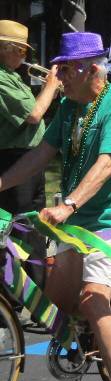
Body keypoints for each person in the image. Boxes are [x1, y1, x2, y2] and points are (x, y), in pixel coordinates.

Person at [0, 31, 111, 381]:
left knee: (91, 299)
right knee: (58, 302)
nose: (58, 76)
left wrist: (69, 205)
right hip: (81, 222)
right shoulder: (69, 107)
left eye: (64, 68)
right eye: (59, 68)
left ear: (90, 67)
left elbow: (107, 164)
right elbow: (39, 155)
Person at [0, 20, 61, 273]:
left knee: (36, 225)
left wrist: (52, 91)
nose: (25, 57)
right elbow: (34, 115)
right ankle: (15, 293)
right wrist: (50, 86)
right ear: (4, 48)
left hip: (32, 158)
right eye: (21, 51)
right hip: (14, 159)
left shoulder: (14, 76)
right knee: (20, 227)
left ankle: (37, 288)